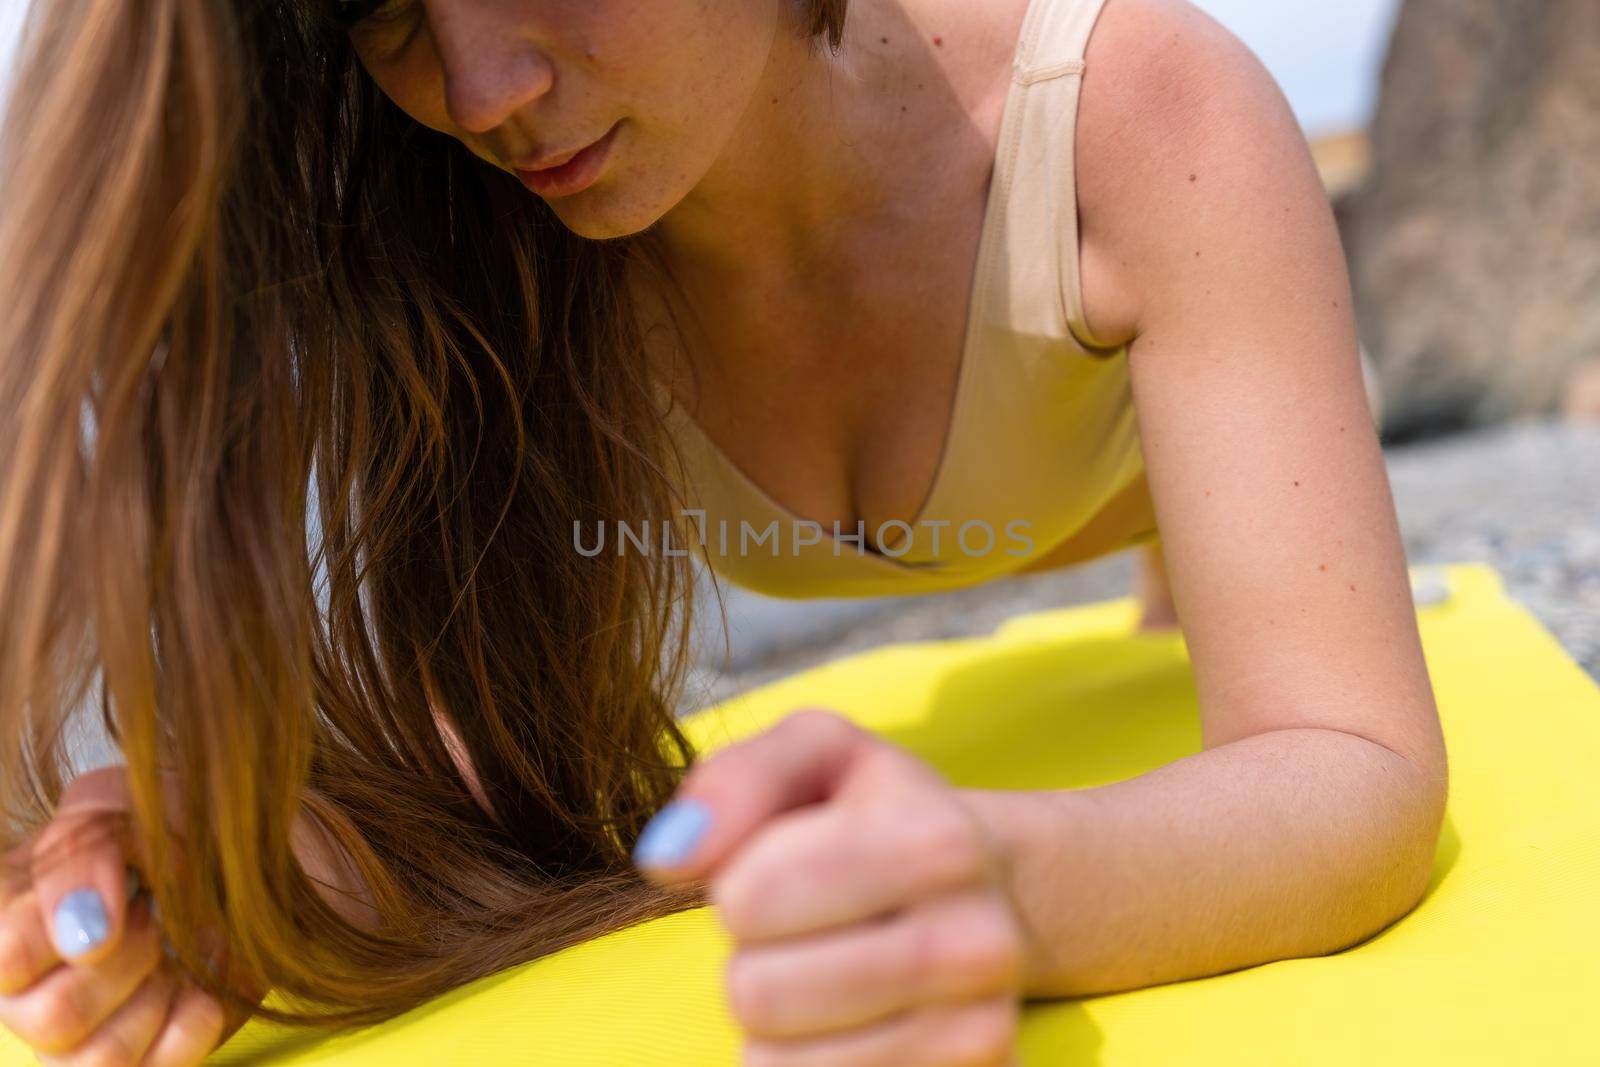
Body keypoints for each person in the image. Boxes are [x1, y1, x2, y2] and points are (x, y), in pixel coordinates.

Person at [0, 0, 1447, 1064]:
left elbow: (1354, 764)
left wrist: (1002, 881)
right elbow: (498, 752)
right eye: (388, 10)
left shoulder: (1132, 111)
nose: (485, 89)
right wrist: (248, 872)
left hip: (1137, 484)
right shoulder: (492, 247)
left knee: (1193, 617)